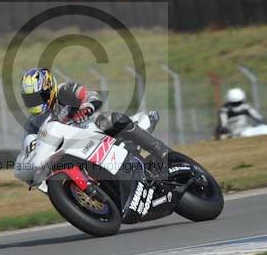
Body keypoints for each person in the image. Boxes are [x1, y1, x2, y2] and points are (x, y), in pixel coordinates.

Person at [14, 68, 169, 184]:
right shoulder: (33, 124)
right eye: (30, 99)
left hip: (93, 131)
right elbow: (31, 146)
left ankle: (161, 150)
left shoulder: (64, 91)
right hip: (73, 150)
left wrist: (87, 107)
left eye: (37, 97)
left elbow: (90, 95)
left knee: (109, 118)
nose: (34, 102)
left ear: (49, 90)